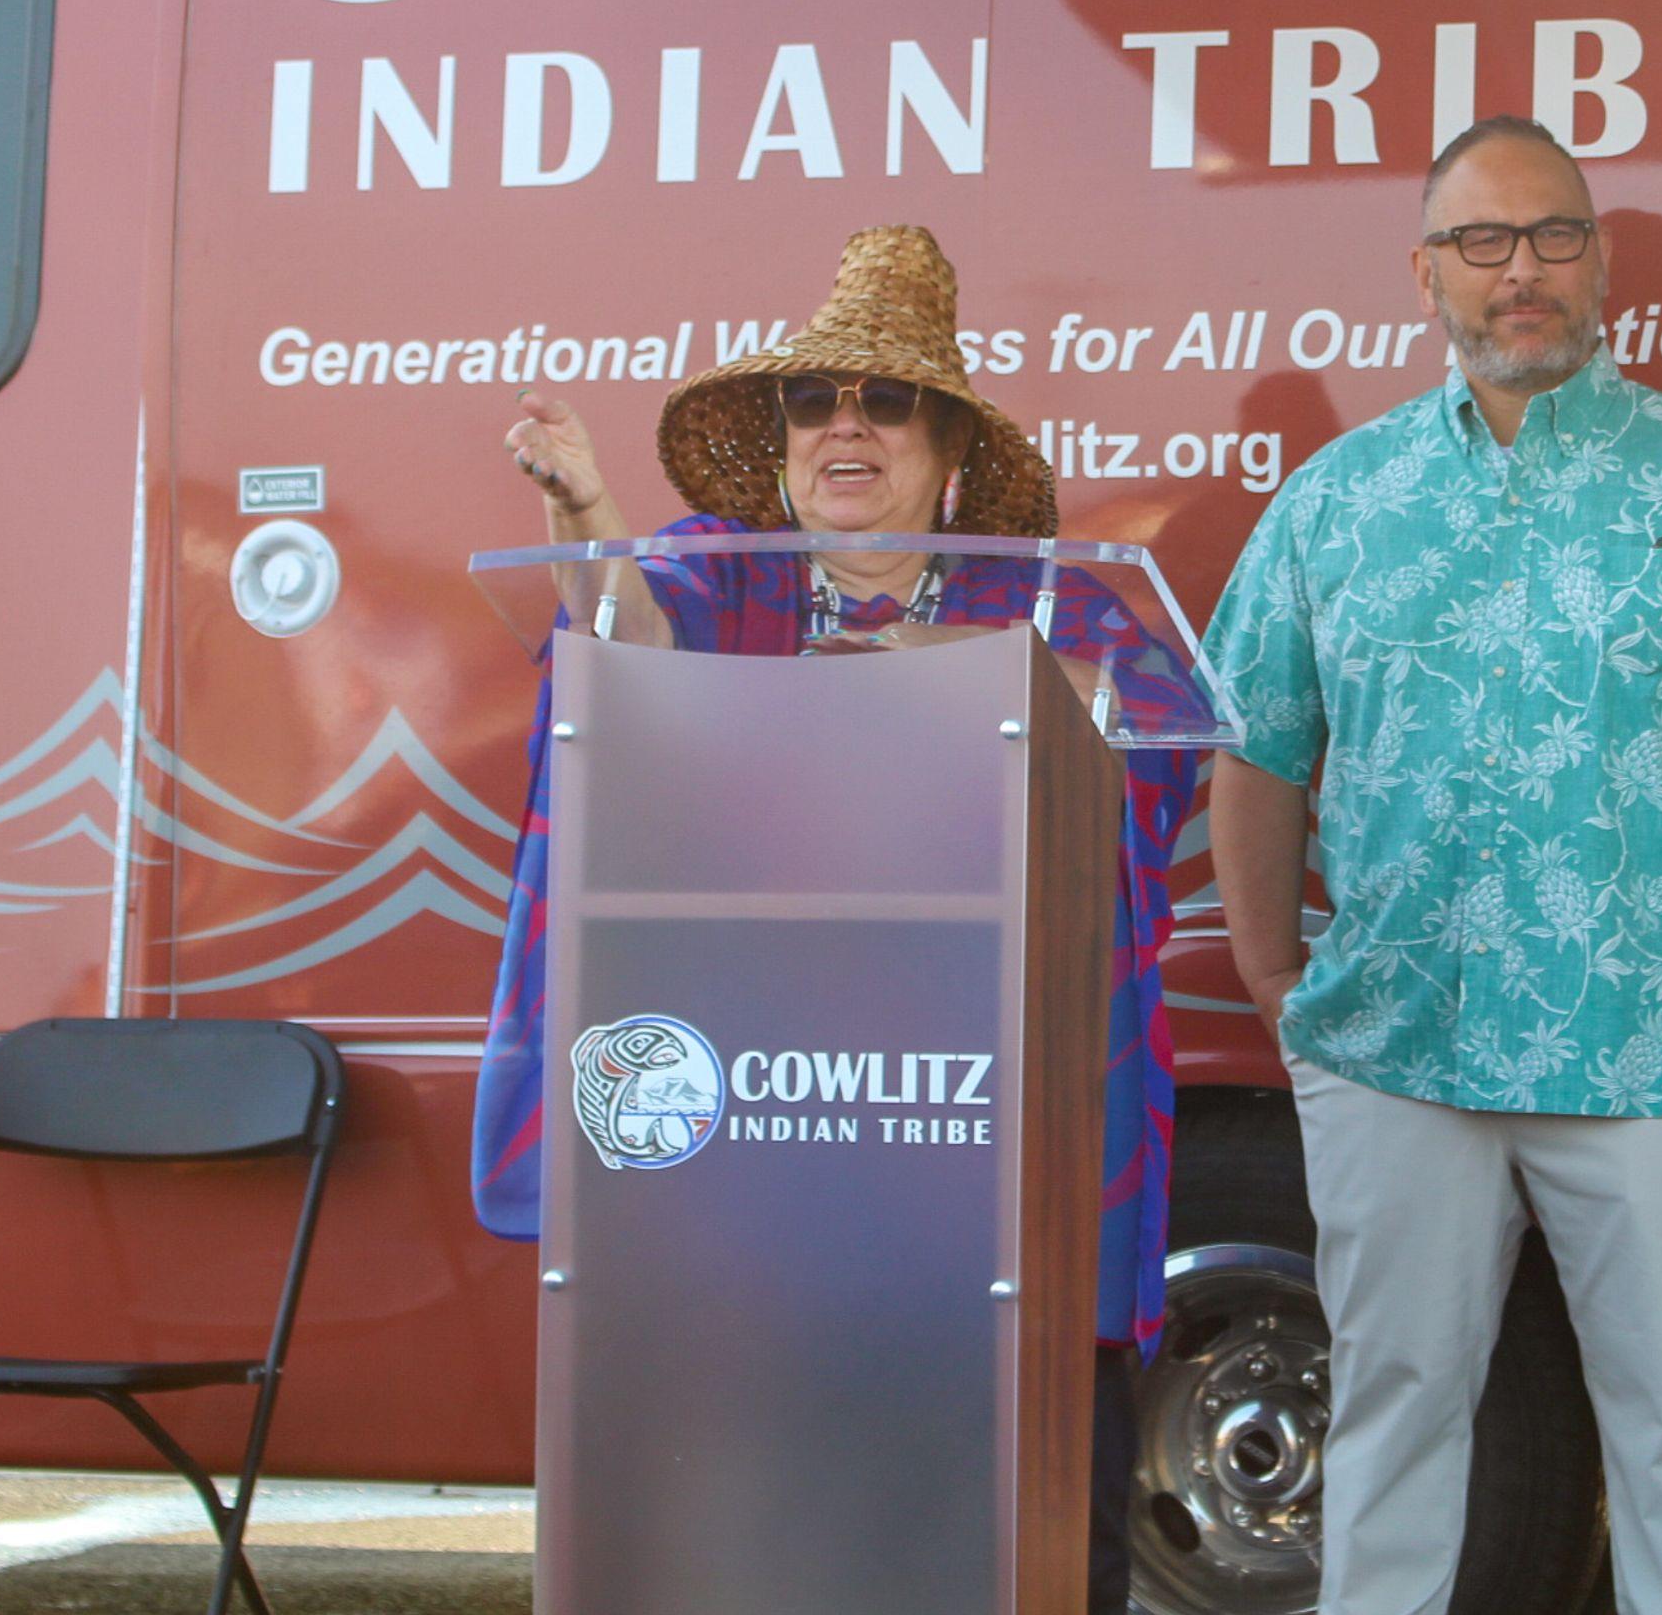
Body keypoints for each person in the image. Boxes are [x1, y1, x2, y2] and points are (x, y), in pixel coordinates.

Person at [465, 224, 1199, 1615]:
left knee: (1018, 1535)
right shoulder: (712, 568)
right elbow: (621, 666)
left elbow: (1153, 758)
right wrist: (581, 514)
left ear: (949, 444)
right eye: (816, 401)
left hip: (984, 1146)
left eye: (887, 401)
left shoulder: (1055, 600)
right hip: (756, 1162)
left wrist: (955, 673)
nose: (845, 427)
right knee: (775, 1527)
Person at [1204, 115, 1662, 1615]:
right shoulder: (1340, 497)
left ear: (1602, 262)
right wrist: (1270, 980)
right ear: (1425, 273)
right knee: (1390, 1422)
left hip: (1642, 1044)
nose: (1525, 272)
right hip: (1394, 1052)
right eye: (1484, 242)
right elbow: (1254, 750)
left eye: (1556, 236)